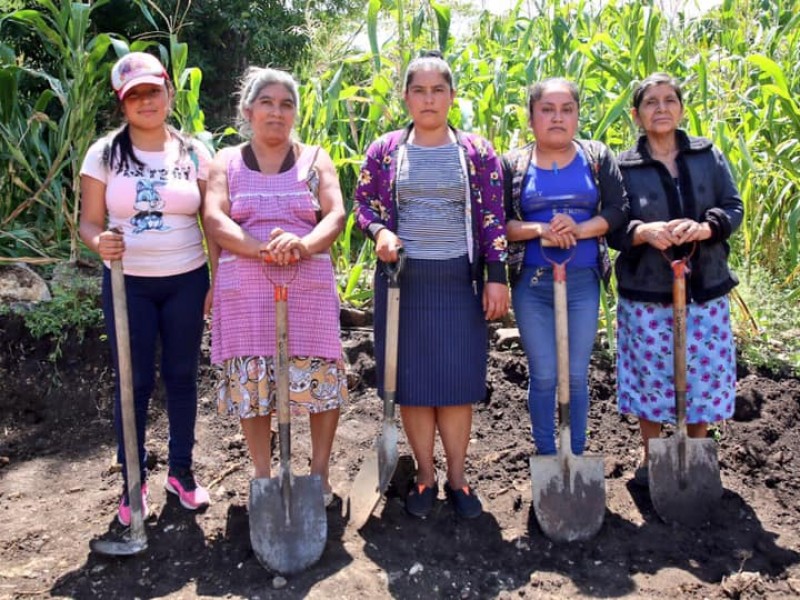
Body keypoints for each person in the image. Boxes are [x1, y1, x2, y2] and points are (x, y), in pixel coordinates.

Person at [354, 51, 509, 520]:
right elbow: (364, 205)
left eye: (437, 89)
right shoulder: (384, 152)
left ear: (451, 96)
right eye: (418, 90)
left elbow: (493, 219)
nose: (428, 99)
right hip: (403, 282)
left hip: (459, 281)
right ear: (405, 97)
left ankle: (458, 479)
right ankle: (424, 476)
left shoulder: (477, 153)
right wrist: (380, 232)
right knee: (414, 385)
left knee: (458, 384)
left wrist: (496, 276)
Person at [79, 52, 214, 526]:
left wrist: (215, 280)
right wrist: (102, 243)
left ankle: (181, 473)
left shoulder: (196, 152)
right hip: (127, 284)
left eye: (152, 91)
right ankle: (131, 482)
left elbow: (210, 222)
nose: (146, 102)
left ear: (168, 93)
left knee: (181, 376)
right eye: (134, 95)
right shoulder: (104, 154)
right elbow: (89, 223)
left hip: (186, 278)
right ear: (123, 104)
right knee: (133, 382)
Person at [203, 67, 347, 505]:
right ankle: (263, 476)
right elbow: (214, 218)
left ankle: (318, 475)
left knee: (321, 376)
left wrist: (301, 245)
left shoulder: (315, 158)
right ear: (247, 110)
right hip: (245, 289)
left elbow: (336, 215)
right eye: (266, 102)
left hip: (308, 285)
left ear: (296, 114)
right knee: (254, 383)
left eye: (286, 104)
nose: (276, 112)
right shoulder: (225, 161)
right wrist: (261, 249)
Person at [609, 73, 743, 486]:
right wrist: (644, 233)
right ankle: (653, 459)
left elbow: (732, 207)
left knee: (702, 378)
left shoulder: (707, 155)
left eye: (669, 100)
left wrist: (705, 229)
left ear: (682, 109)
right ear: (636, 115)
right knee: (650, 376)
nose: (661, 108)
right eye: (651, 102)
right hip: (647, 291)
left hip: (704, 285)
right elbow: (613, 225)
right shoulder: (622, 165)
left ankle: (696, 453)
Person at [502, 78, 628, 458]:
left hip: (582, 281)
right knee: (543, 374)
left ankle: (574, 452)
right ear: (531, 117)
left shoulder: (596, 156)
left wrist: (578, 229)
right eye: (547, 110)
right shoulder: (513, 165)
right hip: (533, 284)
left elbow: (618, 209)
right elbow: (499, 224)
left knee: (575, 375)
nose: (557, 118)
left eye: (566, 110)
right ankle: (545, 454)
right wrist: (542, 230)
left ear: (576, 115)